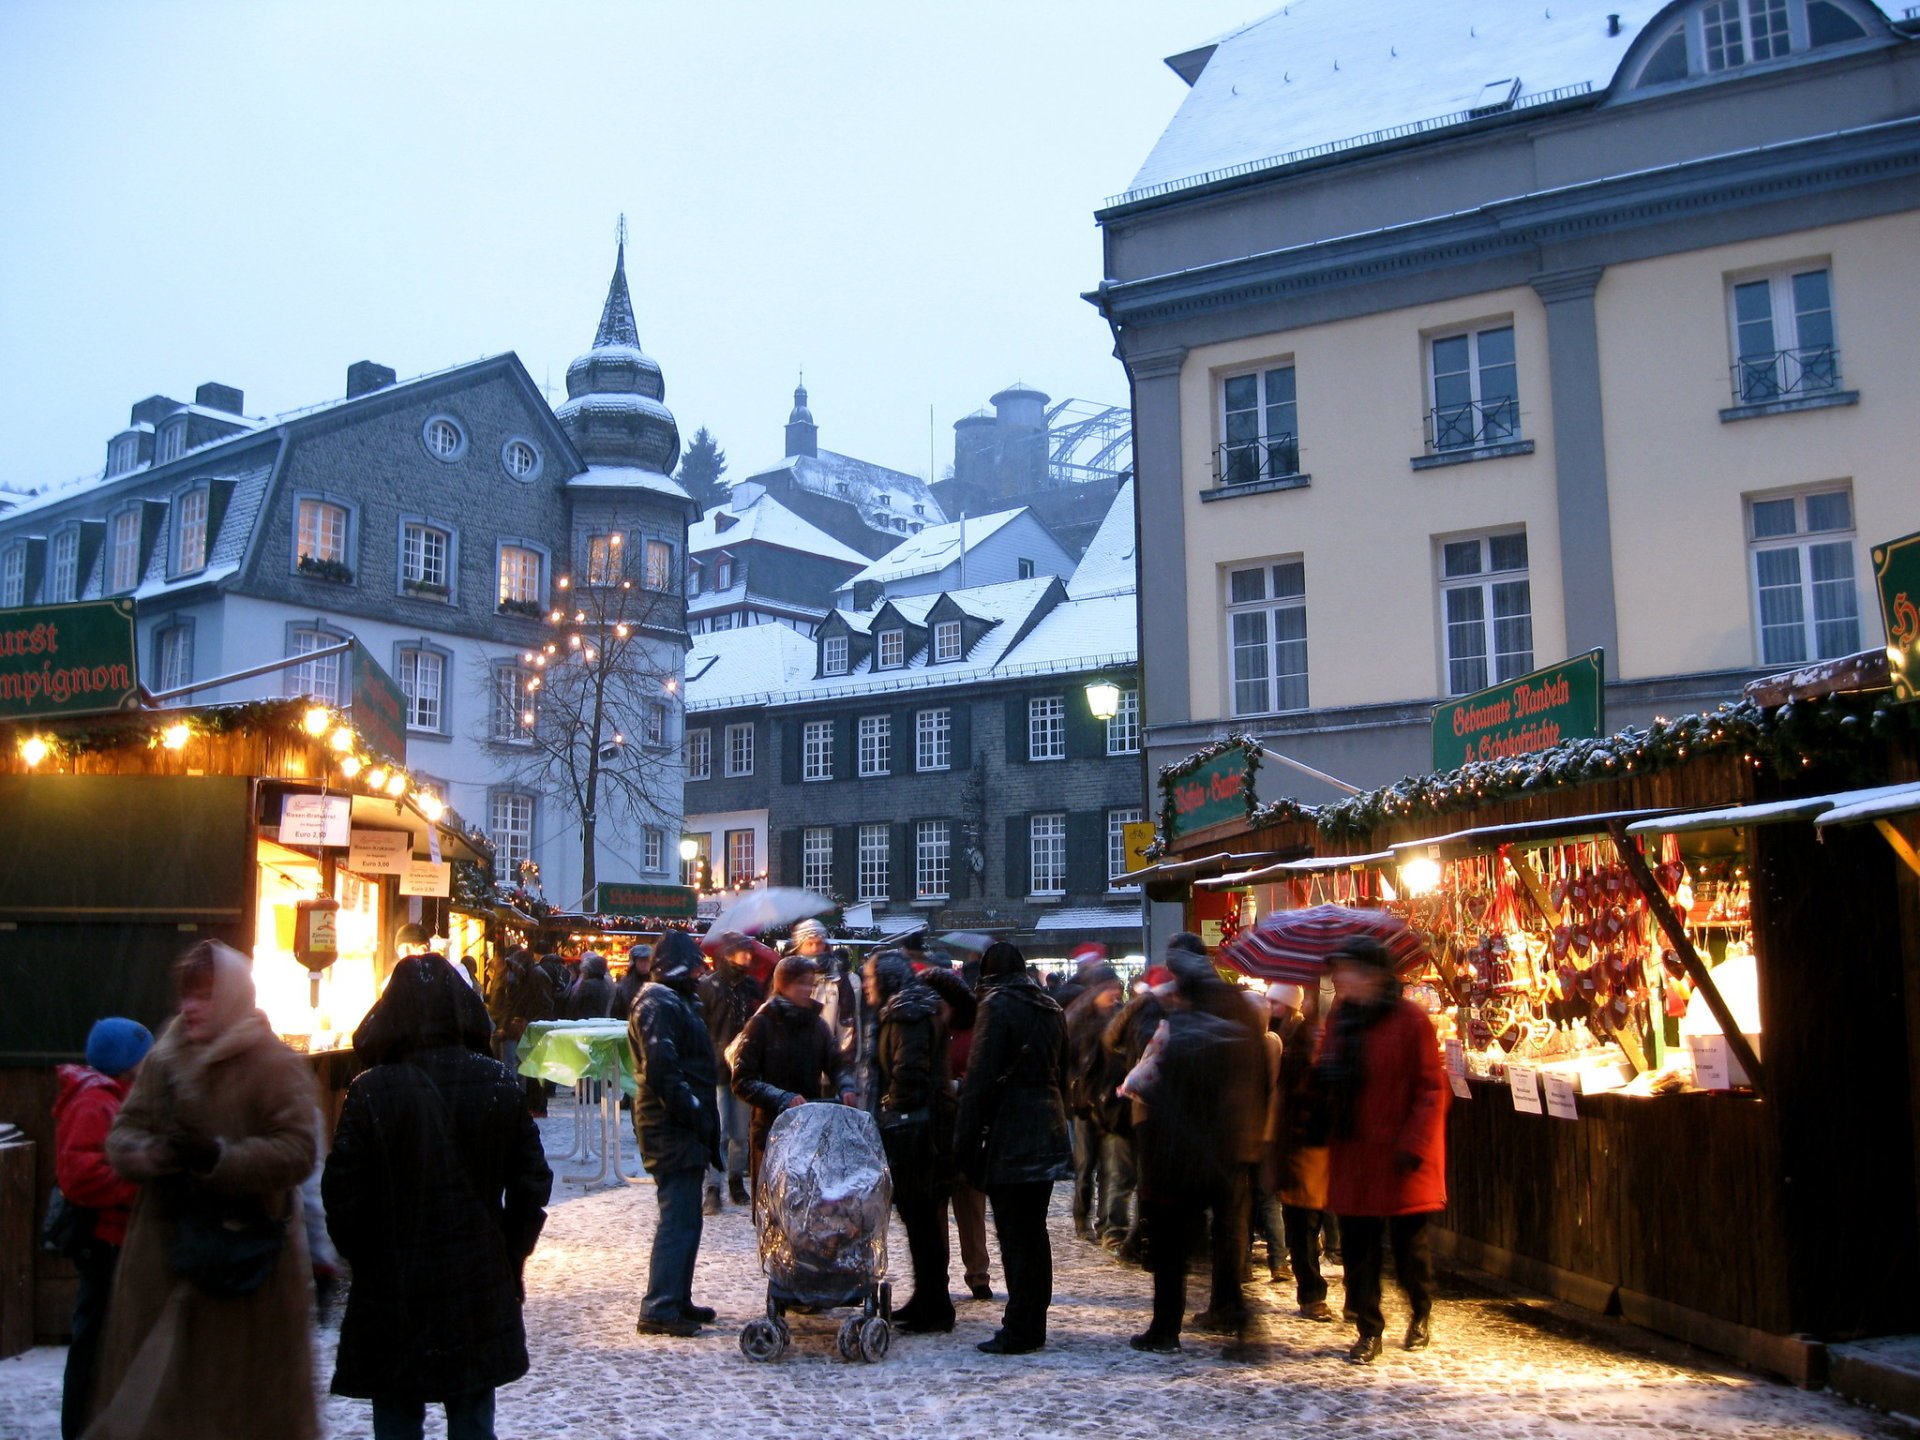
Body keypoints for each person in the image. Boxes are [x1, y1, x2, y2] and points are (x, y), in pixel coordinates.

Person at [86, 941, 319, 1440]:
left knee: (240, 1408)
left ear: (233, 996)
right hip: (166, 1259)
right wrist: (154, 1155)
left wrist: (220, 1158)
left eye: (205, 996)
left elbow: (298, 1150)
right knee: (164, 1403)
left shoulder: (271, 1063)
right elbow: (122, 1135)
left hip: (247, 1268)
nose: (190, 1007)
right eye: (186, 996)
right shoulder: (165, 1059)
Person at [324, 953, 552, 1440]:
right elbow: (532, 1183)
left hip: (394, 1282)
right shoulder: (497, 1083)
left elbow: (342, 1192)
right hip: (476, 1274)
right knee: (471, 1416)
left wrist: (366, 1256)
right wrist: (510, 1250)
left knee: (397, 1416)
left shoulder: (371, 1091)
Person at [1126, 933, 1267, 1357]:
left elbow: (1167, 1084)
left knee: (1172, 1246)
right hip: (1228, 1146)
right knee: (1223, 1238)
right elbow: (1256, 1072)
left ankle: (1166, 1328)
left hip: (1185, 1149)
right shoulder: (1236, 1005)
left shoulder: (1182, 1016)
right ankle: (1236, 1319)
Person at [1318, 938, 1448, 1364]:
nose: (1339, 978)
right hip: (1355, 1153)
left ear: (1372, 975)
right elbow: (1329, 1074)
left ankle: (1421, 1311)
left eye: (1347, 970)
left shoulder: (1411, 1021)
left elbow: (1431, 1089)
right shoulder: (1341, 1019)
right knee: (1359, 1251)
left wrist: (1414, 1144)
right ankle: (1369, 1329)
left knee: (1410, 1250)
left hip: (1400, 1155)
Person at [955, 942, 1072, 1356]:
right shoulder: (1050, 1007)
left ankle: (1020, 1327)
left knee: (1015, 1234)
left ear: (986, 974)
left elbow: (980, 1078)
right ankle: (1031, 1321)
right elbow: (1064, 1070)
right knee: (1034, 1232)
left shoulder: (997, 1006)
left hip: (1011, 1133)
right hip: (1048, 1124)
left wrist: (964, 1143)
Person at [52, 1017, 153, 1440]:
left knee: (110, 1343)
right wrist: (140, 1184)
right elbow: (80, 1177)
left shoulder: (117, 1097)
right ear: (128, 1061)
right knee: (93, 1346)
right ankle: (80, 1430)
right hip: (103, 1241)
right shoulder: (95, 1102)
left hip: (120, 1240)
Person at [629, 932, 722, 1337]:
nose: (702, 974)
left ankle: (675, 1298)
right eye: (696, 967)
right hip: (671, 1127)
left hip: (679, 1126)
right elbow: (663, 1069)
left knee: (686, 1218)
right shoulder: (659, 1003)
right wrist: (694, 1114)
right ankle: (661, 1305)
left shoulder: (673, 1001)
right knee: (678, 1218)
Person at [866, 952, 959, 1334]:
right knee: (920, 1220)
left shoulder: (907, 1015)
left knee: (921, 1218)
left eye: (872, 979)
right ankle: (929, 1297)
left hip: (917, 1131)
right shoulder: (909, 1010)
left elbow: (910, 1071)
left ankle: (935, 1305)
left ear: (887, 981)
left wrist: (891, 1108)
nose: (867, 986)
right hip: (920, 1126)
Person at [729, 954, 855, 1194]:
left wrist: (846, 1086)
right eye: (801, 983)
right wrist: (781, 1097)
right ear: (783, 986)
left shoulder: (818, 1026)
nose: (808, 989)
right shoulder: (762, 1024)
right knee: (774, 1208)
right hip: (770, 1130)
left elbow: (836, 1064)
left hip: (809, 1129)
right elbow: (742, 1080)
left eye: (811, 983)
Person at [1268, 981, 1335, 1320]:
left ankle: (1315, 1292)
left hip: (1314, 1142)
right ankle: (1311, 1293)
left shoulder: (1305, 1037)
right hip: (1301, 1143)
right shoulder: (1290, 1037)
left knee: (1308, 1222)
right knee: (1303, 1223)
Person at [1100, 965, 1172, 1264]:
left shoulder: (1137, 1012)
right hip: (1143, 1106)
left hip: (1133, 1104)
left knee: (1129, 1175)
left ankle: (1124, 1235)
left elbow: (1111, 1041)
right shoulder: (1157, 1015)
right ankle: (1126, 1237)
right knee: (1136, 1176)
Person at [1065, 965, 1131, 1248]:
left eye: (1117, 989)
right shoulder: (1076, 1020)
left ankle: (1106, 1223)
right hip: (1084, 1104)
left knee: (1109, 1167)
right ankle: (1081, 1218)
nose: (1115, 994)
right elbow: (1065, 1061)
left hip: (1111, 1104)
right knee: (1084, 1168)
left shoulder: (1120, 1017)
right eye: (1109, 989)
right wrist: (1072, 1089)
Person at [700, 932, 766, 1211]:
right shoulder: (709, 986)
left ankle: (736, 1180)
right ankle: (713, 1185)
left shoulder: (752, 986)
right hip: (715, 1067)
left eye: (749, 952)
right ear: (728, 954)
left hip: (744, 1068)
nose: (748, 957)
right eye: (743, 952)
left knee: (741, 1131)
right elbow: (702, 1026)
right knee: (720, 1130)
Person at [945, 951, 994, 1302]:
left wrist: (958, 1083)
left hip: (966, 1122)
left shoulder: (975, 1029)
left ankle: (978, 1273)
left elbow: (981, 1072)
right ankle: (943, 1277)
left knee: (971, 1206)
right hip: (944, 1125)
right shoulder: (936, 1027)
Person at [486, 946, 555, 1116]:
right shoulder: (523, 976)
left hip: (534, 1029)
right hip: (525, 1027)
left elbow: (546, 1007)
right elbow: (514, 1003)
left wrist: (528, 1022)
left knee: (533, 1069)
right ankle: (531, 1105)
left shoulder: (537, 976)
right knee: (527, 1068)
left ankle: (537, 1106)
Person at [565, 951, 615, 1020]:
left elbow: (578, 1003)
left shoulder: (587, 984)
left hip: (585, 1019)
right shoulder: (604, 981)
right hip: (599, 1017)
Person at [610, 943, 652, 1020]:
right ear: (634, 963)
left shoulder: (657, 982)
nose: (645, 964)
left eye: (647, 960)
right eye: (641, 961)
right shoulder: (624, 985)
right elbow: (617, 1011)